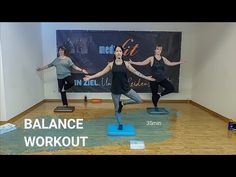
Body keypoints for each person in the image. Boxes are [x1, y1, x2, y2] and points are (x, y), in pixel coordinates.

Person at [83, 46, 155, 130]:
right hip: (115, 89)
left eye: (120, 51)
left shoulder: (126, 64)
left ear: (122, 53)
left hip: (125, 88)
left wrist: (147, 78)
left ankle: (122, 103)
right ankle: (120, 124)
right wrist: (90, 77)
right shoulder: (111, 64)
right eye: (116, 51)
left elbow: (136, 72)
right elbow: (101, 72)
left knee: (138, 100)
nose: (118, 52)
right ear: (114, 53)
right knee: (117, 109)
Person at [129, 43, 185, 109]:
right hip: (153, 79)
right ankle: (155, 106)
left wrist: (179, 62)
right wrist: (132, 62)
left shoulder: (163, 58)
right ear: (155, 50)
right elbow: (142, 63)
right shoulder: (151, 58)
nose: (159, 51)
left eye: (160, 49)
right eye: (157, 49)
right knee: (154, 94)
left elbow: (170, 63)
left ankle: (160, 95)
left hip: (162, 79)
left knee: (171, 88)